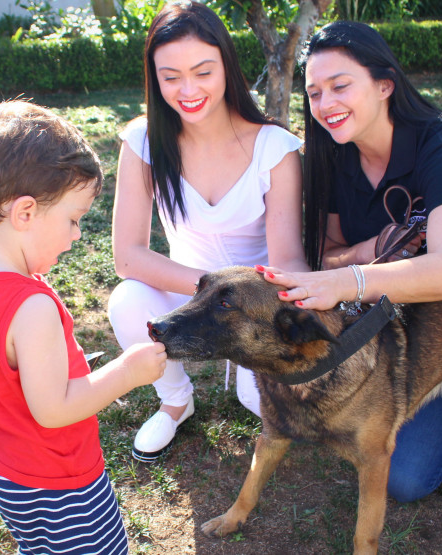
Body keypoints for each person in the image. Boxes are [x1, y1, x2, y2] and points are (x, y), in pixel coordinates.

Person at [259, 21, 442, 503]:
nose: (325, 105)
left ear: (385, 85)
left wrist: (349, 278)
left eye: (341, 86)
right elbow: (327, 254)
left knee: (404, 480)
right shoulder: (335, 158)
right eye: (315, 93)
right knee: (376, 458)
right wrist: (364, 253)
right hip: (403, 324)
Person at [0, 100, 167, 554]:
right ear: (24, 213)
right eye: (73, 220)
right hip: (58, 481)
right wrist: (127, 372)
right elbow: (54, 410)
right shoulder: (31, 305)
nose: (77, 234)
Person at [108, 1, 309, 463]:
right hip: (187, 296)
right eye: (171, 76)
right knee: (126, 301)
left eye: (203, 72)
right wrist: (210, 292)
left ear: (227, 67)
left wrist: (280, 305)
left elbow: (288, 259)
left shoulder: (274, 147)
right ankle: (176, 401)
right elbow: (128, 257)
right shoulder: (142, 142)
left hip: (255, 307)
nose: (188, 89)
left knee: (259, 403)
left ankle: (252, 379)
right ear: (154, 78)